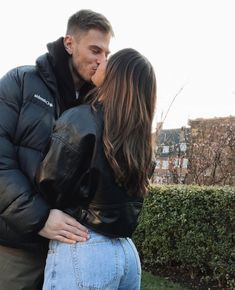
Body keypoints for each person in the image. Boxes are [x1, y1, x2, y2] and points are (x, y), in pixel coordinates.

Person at [0, 9, 114, 290]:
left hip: (71, 251)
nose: (102, 61)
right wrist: (38, 217)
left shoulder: (98, 105)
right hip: (18, 246)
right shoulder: (21, 82)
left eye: (107, 54)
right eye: (95, 50)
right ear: (69, 43)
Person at [36, 48, 157, 290]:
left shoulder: (80, 119)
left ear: (116, 75)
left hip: (84, 248)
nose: (101, 61)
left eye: (109, 60)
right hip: (127, 254)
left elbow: (50, 184)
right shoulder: (142, 141)